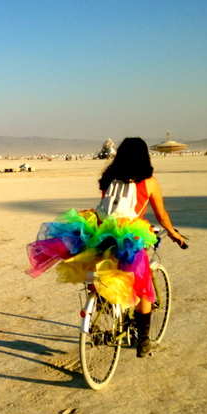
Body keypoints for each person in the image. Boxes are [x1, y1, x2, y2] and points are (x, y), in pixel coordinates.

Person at [26, 137, 186, 357]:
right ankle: (144, 342)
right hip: (129, 236)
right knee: (143, 289)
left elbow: (108, 207)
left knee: (101, 269)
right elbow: (162, 215)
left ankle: (103, 303)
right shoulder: (149, 182)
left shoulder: (108, 178)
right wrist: (175, 233)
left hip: (99, 232)